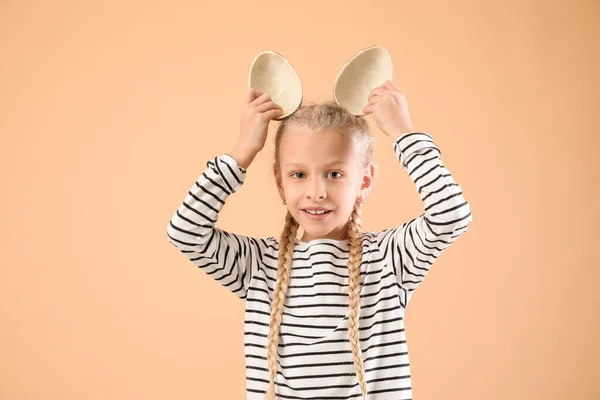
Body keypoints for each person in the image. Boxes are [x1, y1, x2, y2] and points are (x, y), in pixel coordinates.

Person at [166, 80, 473, 400]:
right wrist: (243, 150)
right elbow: (186, 231)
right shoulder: (258, 266)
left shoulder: (388, 258)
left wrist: (403, 132)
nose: (317, 192)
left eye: (335, 174)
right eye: (298, 174)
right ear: (280, 183)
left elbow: (450, 215)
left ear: (364, 180)